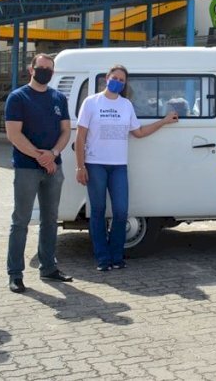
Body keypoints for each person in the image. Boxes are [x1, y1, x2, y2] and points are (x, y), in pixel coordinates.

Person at [75, 65, 178, 271]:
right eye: (115, 78)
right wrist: (80, 166)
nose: (118, 82)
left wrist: (164, 121)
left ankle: (117, 256)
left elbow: (138, 133)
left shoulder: (126, 105)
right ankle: (102, 258)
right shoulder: (91, 102)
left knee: (121, 212)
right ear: (107, 78)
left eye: (122, 80)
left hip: (118, 166)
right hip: (95, 164)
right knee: (98, 211)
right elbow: (80, 137)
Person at [5, 53, 73, 293]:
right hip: (27, 168)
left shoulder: (58, 98)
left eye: (49, 68)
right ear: (31, 69)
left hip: (54, 167)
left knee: (50, 220)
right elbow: (14, 134)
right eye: (41, 67)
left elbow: (66, 131)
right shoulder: (18, 97)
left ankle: (49, 267)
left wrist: (52, 154)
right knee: (21, 221)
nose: (45, 71)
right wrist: (41, 157)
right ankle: (15, 274)